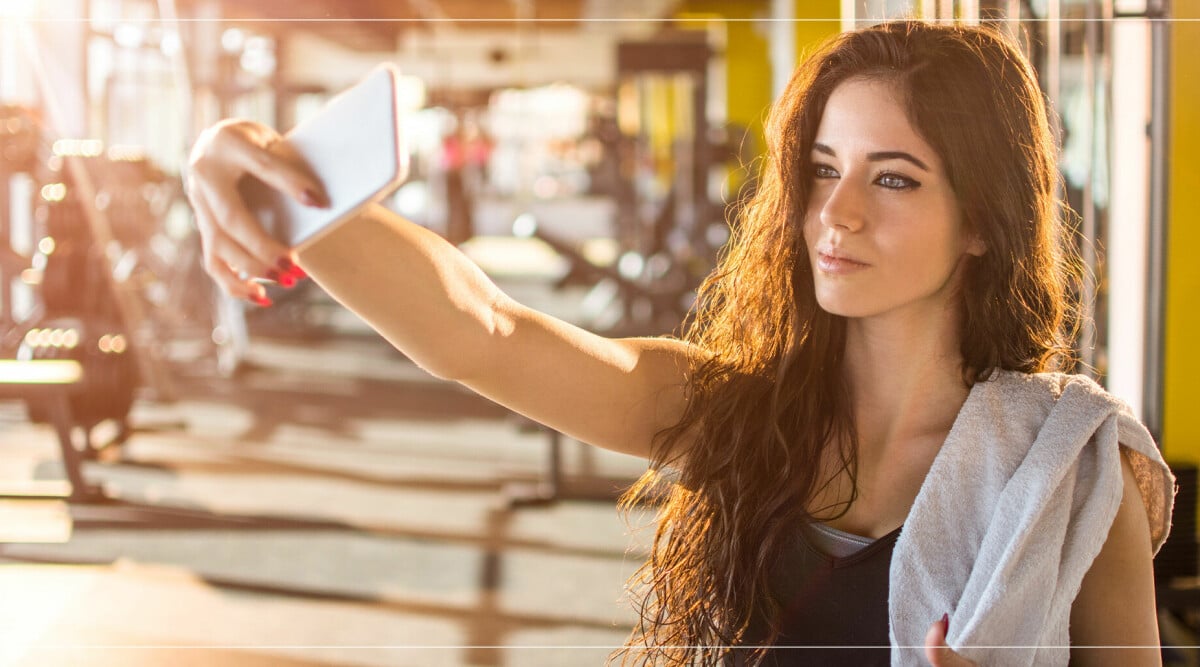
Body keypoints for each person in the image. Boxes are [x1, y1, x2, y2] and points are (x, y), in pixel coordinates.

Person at [185, 20, 1173, 667]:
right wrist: (272, 187)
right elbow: (481, 332)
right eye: (823, 167)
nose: (834, 214)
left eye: (895, 178)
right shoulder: (728, 414)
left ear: (983, 220)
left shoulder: (1070, 477)